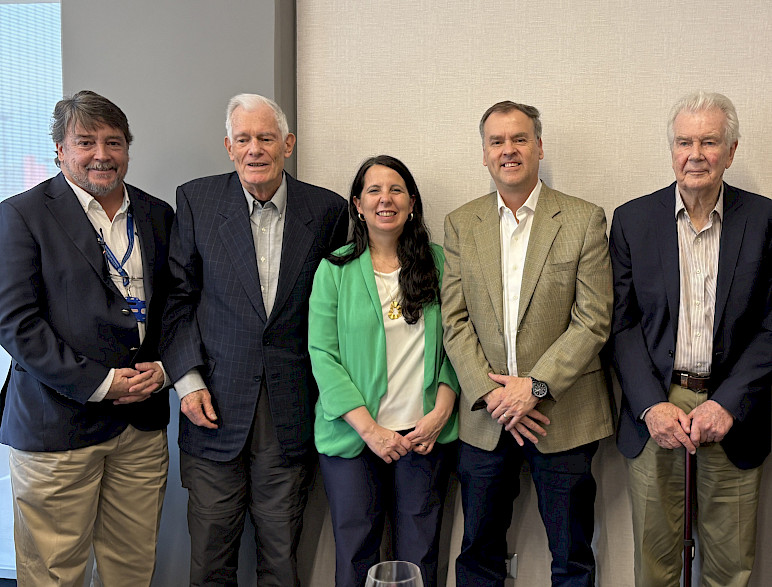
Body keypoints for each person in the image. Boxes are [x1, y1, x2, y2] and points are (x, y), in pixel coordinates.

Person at [161, 93, 348, 586]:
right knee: (209, 562)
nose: (254, 149)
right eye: (243, 139)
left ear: (287, 144)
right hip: (211, 405)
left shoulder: (327, 210)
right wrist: (187, 381)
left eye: (265, 137)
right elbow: (176, 302)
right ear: (228, 146)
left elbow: (334, 311)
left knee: (282, 561)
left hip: (291, 411)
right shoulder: (197, 200)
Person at [0, 90, 173, 587]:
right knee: (53, 575)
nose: (102, 153)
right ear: (59, 149)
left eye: (114, 141)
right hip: (56, 426)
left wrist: (165, 368)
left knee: (132, 570)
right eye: (85, 141)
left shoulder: (158, 215)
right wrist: (102, 383)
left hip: (140, 428)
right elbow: (17, 323)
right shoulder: (23, 215)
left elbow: (176, 308)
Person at [442, 101, 614, 586]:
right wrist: (494, 393)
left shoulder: (583, 220)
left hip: (562, 415)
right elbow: (454, 320)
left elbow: (593, 319)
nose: (508, 150)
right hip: (485, 417)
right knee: (478, 553)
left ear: (539, 146)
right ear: (484, 154)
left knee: (572, 556)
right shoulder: (461, 224)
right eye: (497, 141)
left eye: (519, 139)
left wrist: (533, 386)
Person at [610, 91, 772, 586]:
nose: (695, 154)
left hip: (734, 405)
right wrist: (649, 406)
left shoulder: (765, 221)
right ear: (671, 149)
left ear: (732, 150)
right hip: (658, 404)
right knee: (656, 563)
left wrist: (728, 403)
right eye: (684, 142)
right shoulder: (633, 220)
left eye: (709, 141)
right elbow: (622, 324)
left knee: (729, 566)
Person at [309, 155, 459, 587]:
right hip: (354, 437)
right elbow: (323, 355)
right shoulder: (334, 270)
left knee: (420, 554)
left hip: (423, 436)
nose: (385, 199)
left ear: (412, 202)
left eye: (395, 190)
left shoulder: (439, 263)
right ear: (357, 203)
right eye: (373, 190)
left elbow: (458, 345)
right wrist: (371, 431)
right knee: (356, 555)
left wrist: (440, 413)